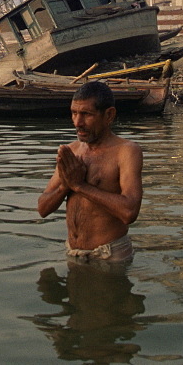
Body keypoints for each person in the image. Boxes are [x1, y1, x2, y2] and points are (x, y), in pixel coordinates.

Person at [37, 81, 143, 264]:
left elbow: (129, 212)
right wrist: (65, 186)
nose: (78, 122)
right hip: (73, 253)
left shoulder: (126, 152)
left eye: (86, 114)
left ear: (109, 115)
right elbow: (42, 209)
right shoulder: (72, 152)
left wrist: (79, 186)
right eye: (74, 113)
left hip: (109, 255)